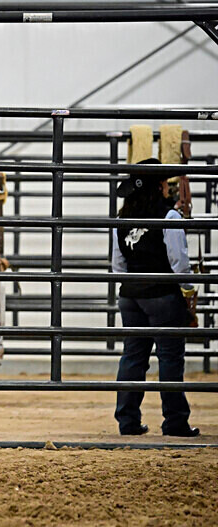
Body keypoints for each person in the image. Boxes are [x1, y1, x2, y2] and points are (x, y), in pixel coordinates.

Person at [112, 157, 199, 437]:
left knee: (134, 357)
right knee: (170, 358)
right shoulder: (168, 217)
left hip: (131, 295)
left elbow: (118, 265)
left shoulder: (121, 220)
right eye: (164, 183)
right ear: (158, 186)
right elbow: (179, 264)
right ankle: (174, 421)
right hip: (162, 295)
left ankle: (128, 421)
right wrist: (188, 292)